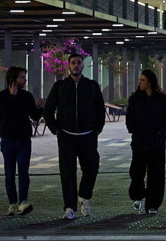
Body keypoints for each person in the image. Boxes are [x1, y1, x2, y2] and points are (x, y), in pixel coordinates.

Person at [44, 52, 105, 220]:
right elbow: (48, 109)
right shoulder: (60, 86)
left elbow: (100, 109)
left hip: (88, 136)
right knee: (67, 173)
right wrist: (55, 129)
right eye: (73, 63)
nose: (76, 65)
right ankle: (69, 207)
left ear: (83, 65)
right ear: (68, 65)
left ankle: (84, 196)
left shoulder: (92, 86)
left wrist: (97, 129)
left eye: (79, 62)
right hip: (66, 137)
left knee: (92, 168)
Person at [125, 69, 166, 213]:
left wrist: (160, 131)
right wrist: (133, 130)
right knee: (136, 172)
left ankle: (153, 204)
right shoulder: (135, 99)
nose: (140, 83)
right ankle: (138, 194)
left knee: (156, 175)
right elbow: (130, 118)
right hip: (139, 143)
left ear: (149, 82)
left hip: (156, 144)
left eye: (142, 80)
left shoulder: (162, 100)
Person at [0, 66, 42, 216]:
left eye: (24, 77)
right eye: (22, 77)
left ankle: (23, 202)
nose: (24, 80)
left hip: (23, 139)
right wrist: (12, 96)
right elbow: (2, 114)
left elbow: (34, 116)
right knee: (9, 174)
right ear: (13, 79)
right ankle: (12, 203)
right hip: (8, 139)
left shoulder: (27, 96)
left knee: (23, 172)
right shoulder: (1, 96)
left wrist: (39, 107)